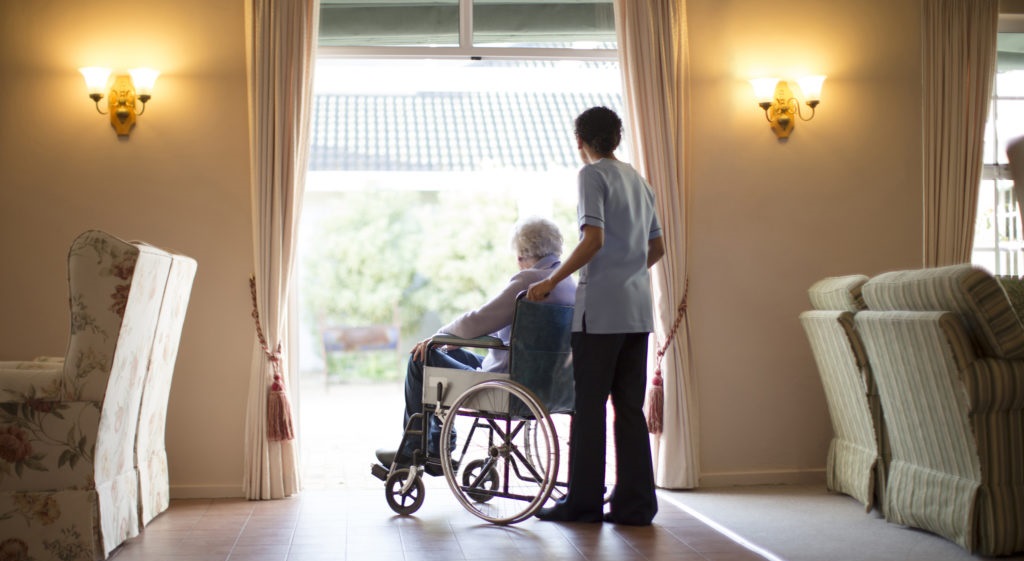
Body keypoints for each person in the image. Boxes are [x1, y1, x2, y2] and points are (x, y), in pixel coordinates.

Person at [526, 106, 665, 525]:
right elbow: (657, 248)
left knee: (588, 407)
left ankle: (583, 502)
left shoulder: (592, 175)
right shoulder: (640, 181)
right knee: (628, 407)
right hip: (637, 311)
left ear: (580, 141)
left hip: (600, 313)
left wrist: (551, 281)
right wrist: (628, 274)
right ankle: (636, 504)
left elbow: (594, 238)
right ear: (617, 138)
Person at [375, 216, 576, 468]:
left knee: (422, 357)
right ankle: (436, 445)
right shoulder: (568, 283)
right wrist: (452, 342)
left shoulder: (527, 281)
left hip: (507, 385)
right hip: (546, 384)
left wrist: (440, 336)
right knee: (452, 356)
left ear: (521, 253)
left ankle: (415, 450)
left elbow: (480, 319)